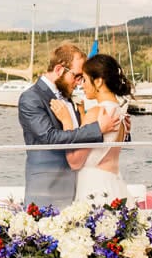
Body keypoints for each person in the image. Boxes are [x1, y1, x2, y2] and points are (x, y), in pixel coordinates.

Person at [18, 44, 123, 208]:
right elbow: (49, 137)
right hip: (46, 188)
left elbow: (83, 134)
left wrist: (119, 130)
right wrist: (98, 129)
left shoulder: (68, 97)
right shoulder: (31, 98)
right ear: (60, 69)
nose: (79, 83)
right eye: (77, 76)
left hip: (78, 187)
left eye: (82, 78)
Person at [50, 53, 132, 205]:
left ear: (99, 81)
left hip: (94, 188)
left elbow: (74, 162)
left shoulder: (96, 113)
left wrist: (66, 120)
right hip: (114, 184)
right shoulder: (120, 112)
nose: (82, 85)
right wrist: (82, 114)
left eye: (86, 80)